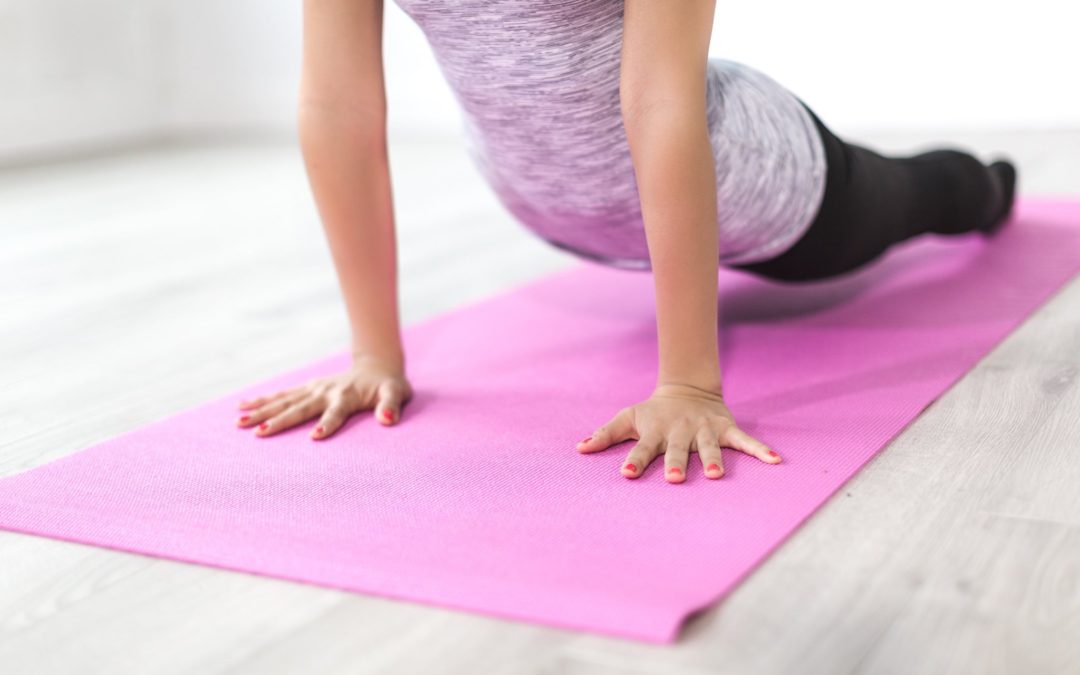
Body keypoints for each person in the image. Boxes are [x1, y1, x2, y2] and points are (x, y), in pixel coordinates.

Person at [235, 0, 1017, 484]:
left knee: (924, 194)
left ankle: (984, 186)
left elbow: (661, 104)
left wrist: (689, 386)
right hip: (556, 204)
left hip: (758, 181)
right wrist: (375, 355)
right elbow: (337, 107)